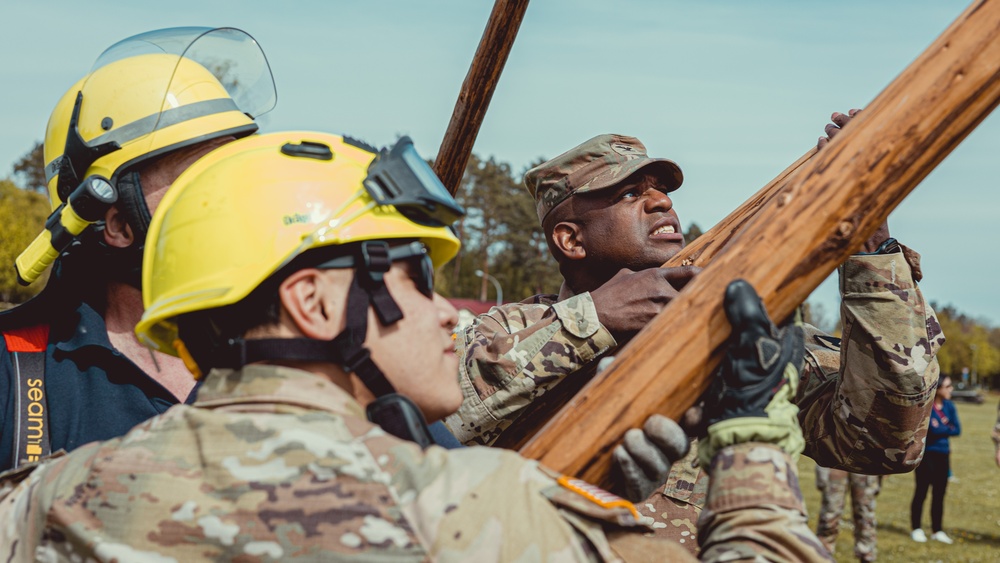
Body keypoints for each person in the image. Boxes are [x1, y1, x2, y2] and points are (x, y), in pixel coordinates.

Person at [0, 131, 830, 561]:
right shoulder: (482, 509)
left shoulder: (53, 495)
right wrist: (752, 440)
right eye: (410, 280)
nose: (444, 315)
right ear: (313, 299)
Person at [443, 111, 943, 550]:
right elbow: (449, 415)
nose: (662, 203)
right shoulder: (507, 331)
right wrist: (594, 319)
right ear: (571, 239)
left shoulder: (736, 335)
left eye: (661, 192)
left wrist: (869, 247)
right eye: (630, 194)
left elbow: (885, 440)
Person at [0, 27, 277, 471]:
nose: (229, 197)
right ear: (117, 220)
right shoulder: (12, 369)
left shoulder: (307, 356)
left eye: (232, 171)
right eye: (198, 179)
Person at [910, 375, 961, 544]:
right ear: (938, 389)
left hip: (943, 454)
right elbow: (929, 429)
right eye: (947, 386)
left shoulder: (950, 406)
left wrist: (940, 427)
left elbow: (957, 430)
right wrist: (944, 428)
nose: (950, 389)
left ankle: (937, 530)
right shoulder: (927, 407)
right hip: (926, 455)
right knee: (921, 491)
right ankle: (916, 528)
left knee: (939, 493)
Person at [814, 466, 881, 562]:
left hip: (865, 460)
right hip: (834, 460)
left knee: (865, 515)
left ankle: (867, 557)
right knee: (829, 514)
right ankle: (822, 556)